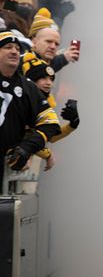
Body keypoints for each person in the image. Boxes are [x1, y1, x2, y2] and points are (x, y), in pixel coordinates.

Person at [0, 30, 60, 184]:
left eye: (18, 48)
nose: (14, 51)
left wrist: (26, 148)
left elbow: (51, 123)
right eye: (8, 47)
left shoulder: (28, 88)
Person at [21, 52, 80, 170]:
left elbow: (50, 136)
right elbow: (25, 137)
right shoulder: (21, 100)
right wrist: (47, 154)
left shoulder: (42, 103)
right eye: (43, 78)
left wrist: (73, 123)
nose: (49, 83)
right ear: (30, 80)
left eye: (51, 79)